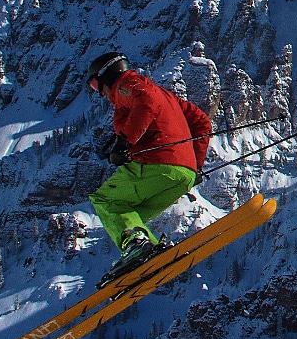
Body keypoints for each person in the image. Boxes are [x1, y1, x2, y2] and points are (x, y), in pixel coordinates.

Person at [85, 52, 213, 280]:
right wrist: (196, 166)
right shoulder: (169, 97)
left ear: (107, 74)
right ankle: (150, 257)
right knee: (128, 216)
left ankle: (138, 248)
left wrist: (125, 141)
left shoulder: (126, 83)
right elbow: (202, 122)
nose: (100, 93)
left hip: (156, 164)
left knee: (106, 201)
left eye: (95, 85)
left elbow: (146, 101)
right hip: (182, 176)